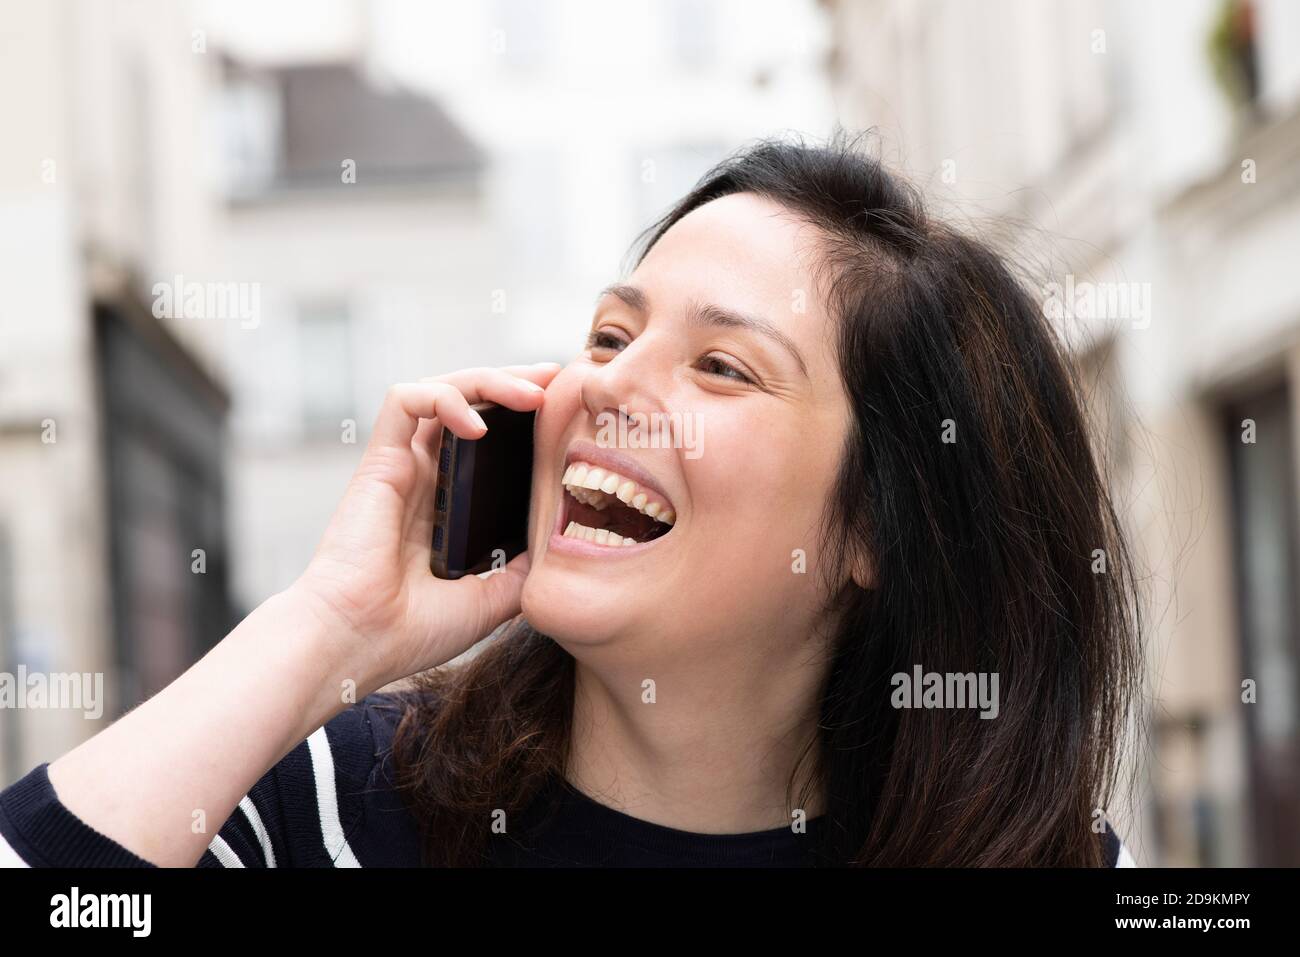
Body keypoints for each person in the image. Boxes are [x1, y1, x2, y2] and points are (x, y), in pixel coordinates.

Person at [0, 133, 1141, 868]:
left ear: (877, 529)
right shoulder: (333, 806)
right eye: (610, 332)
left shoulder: (1037, 857)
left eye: (720, 366)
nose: (603, 382)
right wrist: (328, 631)